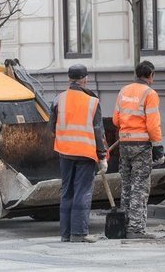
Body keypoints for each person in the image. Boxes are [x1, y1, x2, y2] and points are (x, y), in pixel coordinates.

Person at [49, 64, 107, 243]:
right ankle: (79, 233)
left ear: (69, 78)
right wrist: (102, 156)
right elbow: (98, 132)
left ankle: (65, 234)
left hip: (64, 152)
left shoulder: (58, 99)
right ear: (85, 79)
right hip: (85, 153)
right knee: (82, 192)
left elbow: (52, 128)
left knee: (67, 192)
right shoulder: (92, 102)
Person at [112, 61, 164, 239]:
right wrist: (158, 147)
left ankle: (124, 225)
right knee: (139, 187)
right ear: (151, 75)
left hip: (124, 144)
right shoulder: (150, 94)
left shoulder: (123, 91)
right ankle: (135, 229)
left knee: (126, 186)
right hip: (141, 146)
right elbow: (153, 125)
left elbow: (116, 120)